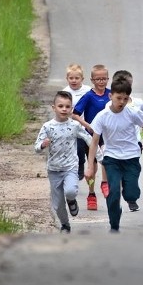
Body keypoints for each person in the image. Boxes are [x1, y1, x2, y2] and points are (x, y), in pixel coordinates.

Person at [85, 78, 143, 232]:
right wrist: (89, 167)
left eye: (125, 99)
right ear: (110, 96)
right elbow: (94, 142)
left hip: (131, 157)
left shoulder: (132, 113)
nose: (122, 101)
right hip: (111, 158)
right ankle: (114, 223)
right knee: (113, 191)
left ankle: (131, 197)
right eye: (118, 98)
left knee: (131, 193)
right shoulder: (102, 116)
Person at [35, 92, 92, 233]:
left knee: (70, 191)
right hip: (54, 169)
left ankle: (72, 200)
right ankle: (65, 224)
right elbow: (36, 147)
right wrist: (43, 145)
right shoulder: (48, 126)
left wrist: (101, 156)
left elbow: (89, 139)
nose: (64, 109)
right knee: (58, 204)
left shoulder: (74, 125)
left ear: (71, 108)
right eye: (60, 106)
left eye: (67, 106)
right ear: (53, 107)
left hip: (70, 167)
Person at [72, 64, 111, 210]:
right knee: (92, 168)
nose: (101, 82)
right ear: (92, 80)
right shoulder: (88, 95)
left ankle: (105, 183)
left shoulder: (110, 94)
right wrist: (86, 124)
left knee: (106, 158)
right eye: (98, 79)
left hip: (106, 135)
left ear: (108, 79)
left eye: (104, 79)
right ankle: (91, 194)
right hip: (91, 135)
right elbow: (75, 114)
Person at [61, 63, 91, 181]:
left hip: (86, 125)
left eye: (76, 78)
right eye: (71, 78)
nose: (74, 81)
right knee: (77, 148)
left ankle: (90, 168)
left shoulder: (88, 91)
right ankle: (79, 166)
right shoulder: (64, 92)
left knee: (88, 150)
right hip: (71, 126)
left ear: (82, 79)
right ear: (67, 78)